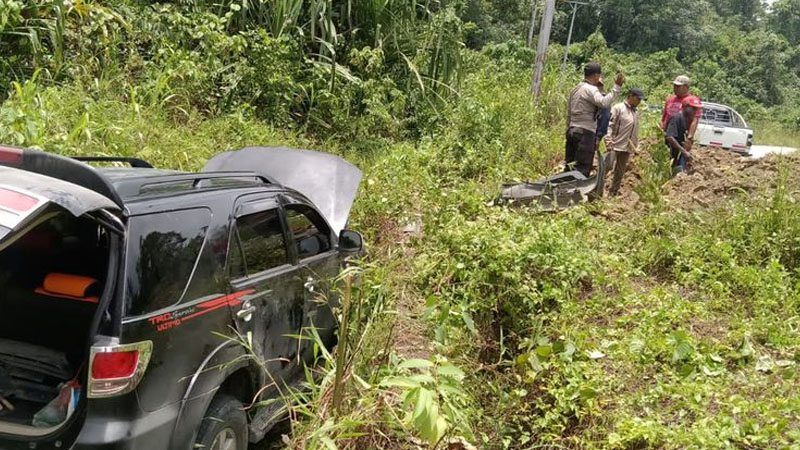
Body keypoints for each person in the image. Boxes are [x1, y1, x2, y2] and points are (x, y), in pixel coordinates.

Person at [565, 62, 625, 177]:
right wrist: (616, 87)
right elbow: (604, 103)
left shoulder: (575, 89)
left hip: (572, 130)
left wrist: (568, 129)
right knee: (582, 168)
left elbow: (569, 113)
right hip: (585, 132)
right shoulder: (591, 89)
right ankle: (577, 191)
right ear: (596, 75)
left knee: (570, 165)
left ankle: (563, 190)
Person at [605, 88, 645, 196]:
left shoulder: (635, 111)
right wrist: (608, 140)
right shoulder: (618, 108)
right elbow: (609, 125)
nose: (639, 102)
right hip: (615, 144)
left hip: (627, 146)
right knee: (607, 167)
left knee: (620, 171)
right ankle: (597, 189)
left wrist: (635, 145)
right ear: (631, 96)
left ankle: (613, 192)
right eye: (638, 99)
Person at [660, 75, 702, 147]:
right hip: (668, 133)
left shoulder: (692, 100)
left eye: (678, 86)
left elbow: (695, 120)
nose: (675, 88)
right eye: (674, 86)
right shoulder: (670, 99)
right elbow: (664, 117)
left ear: (686, 87)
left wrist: (689, 137)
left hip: (681, 135)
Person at [665, 97, 703, 174]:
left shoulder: (688, 120)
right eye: (693, 108)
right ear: (686, 107)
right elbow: (670, 137)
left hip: (679, 154)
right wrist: (684, 151)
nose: (695, 111)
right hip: (670, 154)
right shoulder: (677, 118)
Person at [594, 78, 612, 150]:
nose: (597, 86)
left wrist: (598, 137)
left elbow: (605, 118)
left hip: (594, 133)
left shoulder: (604, 100)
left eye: (599, 85)